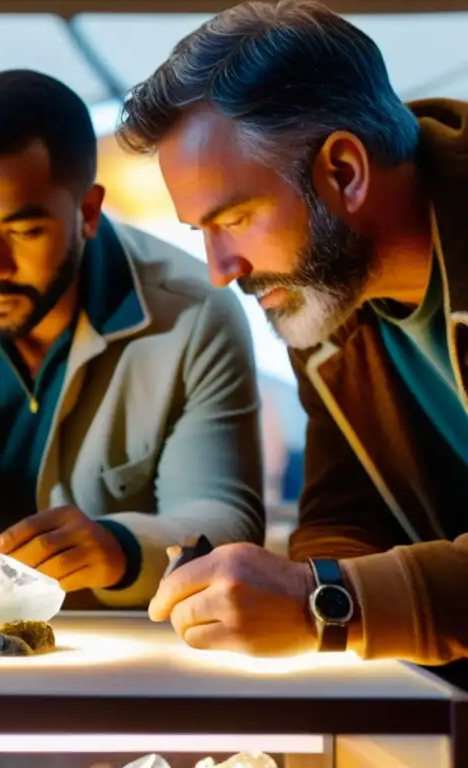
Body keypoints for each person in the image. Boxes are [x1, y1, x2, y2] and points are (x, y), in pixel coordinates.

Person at [0, 70, 265, 612]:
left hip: (104, 660)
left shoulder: (196, 313)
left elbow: (227, 518)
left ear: (87, 212)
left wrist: (121, 549)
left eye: (23, 231)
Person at [119, 0, 468, 665]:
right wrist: (272, 585)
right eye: (202, 232)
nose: (222, 270)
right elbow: (345, 515)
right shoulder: (330, 299)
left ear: (344, 172)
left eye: (236, 217)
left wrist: (325, 601)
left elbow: (335, 590)